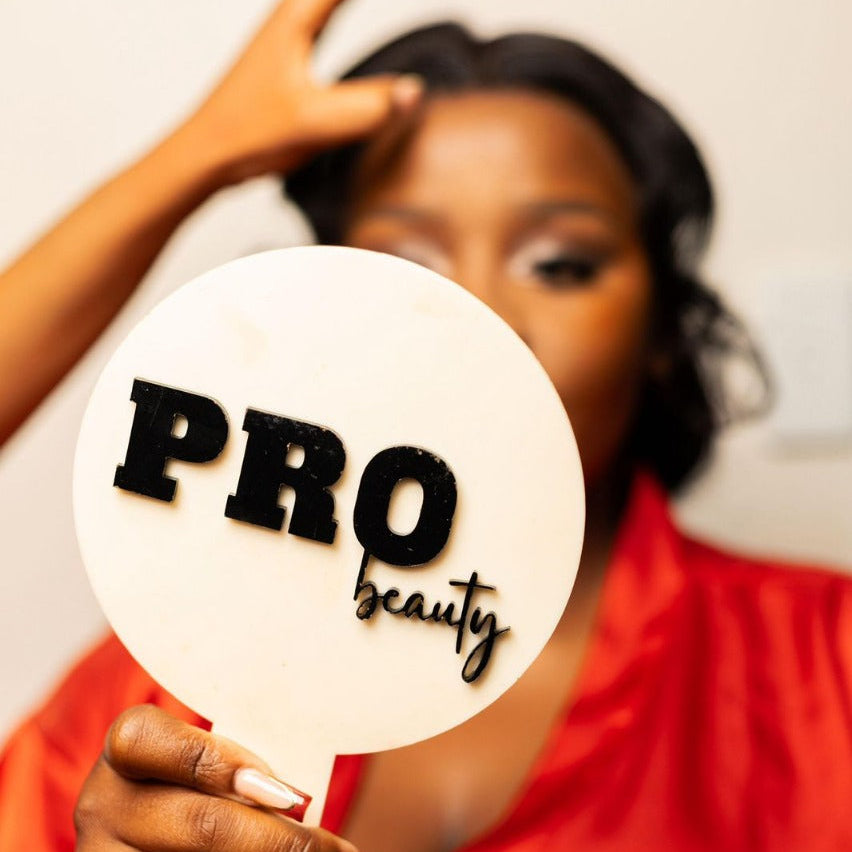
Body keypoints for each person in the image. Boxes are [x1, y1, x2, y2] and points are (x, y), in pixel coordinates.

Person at [1, 1, 851, 850]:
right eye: (404, 269)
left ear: (661, 330)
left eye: (558, 263)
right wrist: (202, 152)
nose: (477, 320)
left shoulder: (827, 670)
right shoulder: (162, 688)